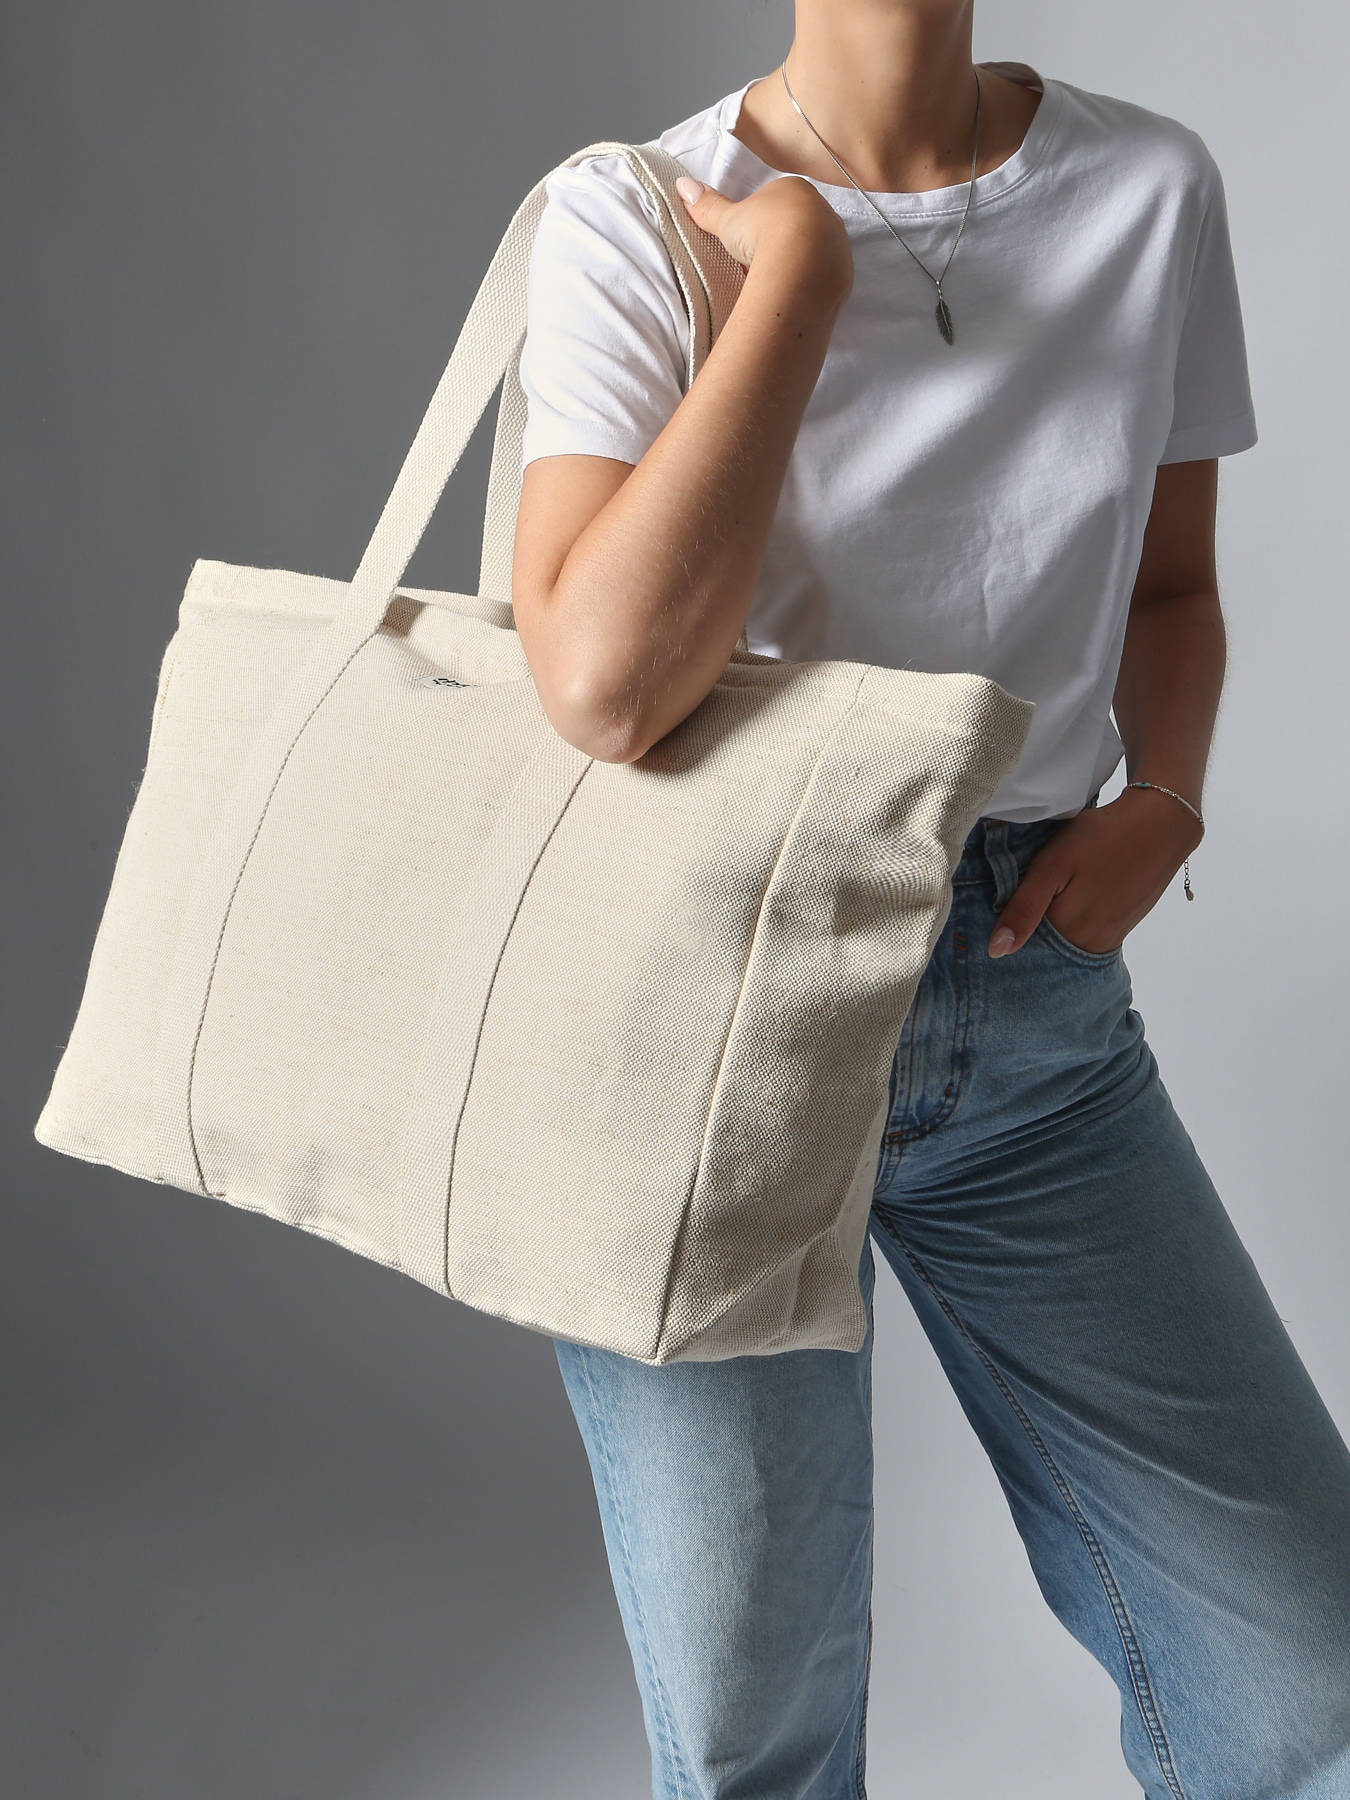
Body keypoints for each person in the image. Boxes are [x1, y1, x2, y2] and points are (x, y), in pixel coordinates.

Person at [509, 4, 1350, 1795]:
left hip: (1026, 1002)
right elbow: (601, 686)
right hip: (699, 1020)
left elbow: (1171, 586)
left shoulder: (1146, 188)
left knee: (1309, 1676)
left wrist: (1167, 796)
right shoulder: (636, 215)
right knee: (755, 1735)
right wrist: (797, 286)